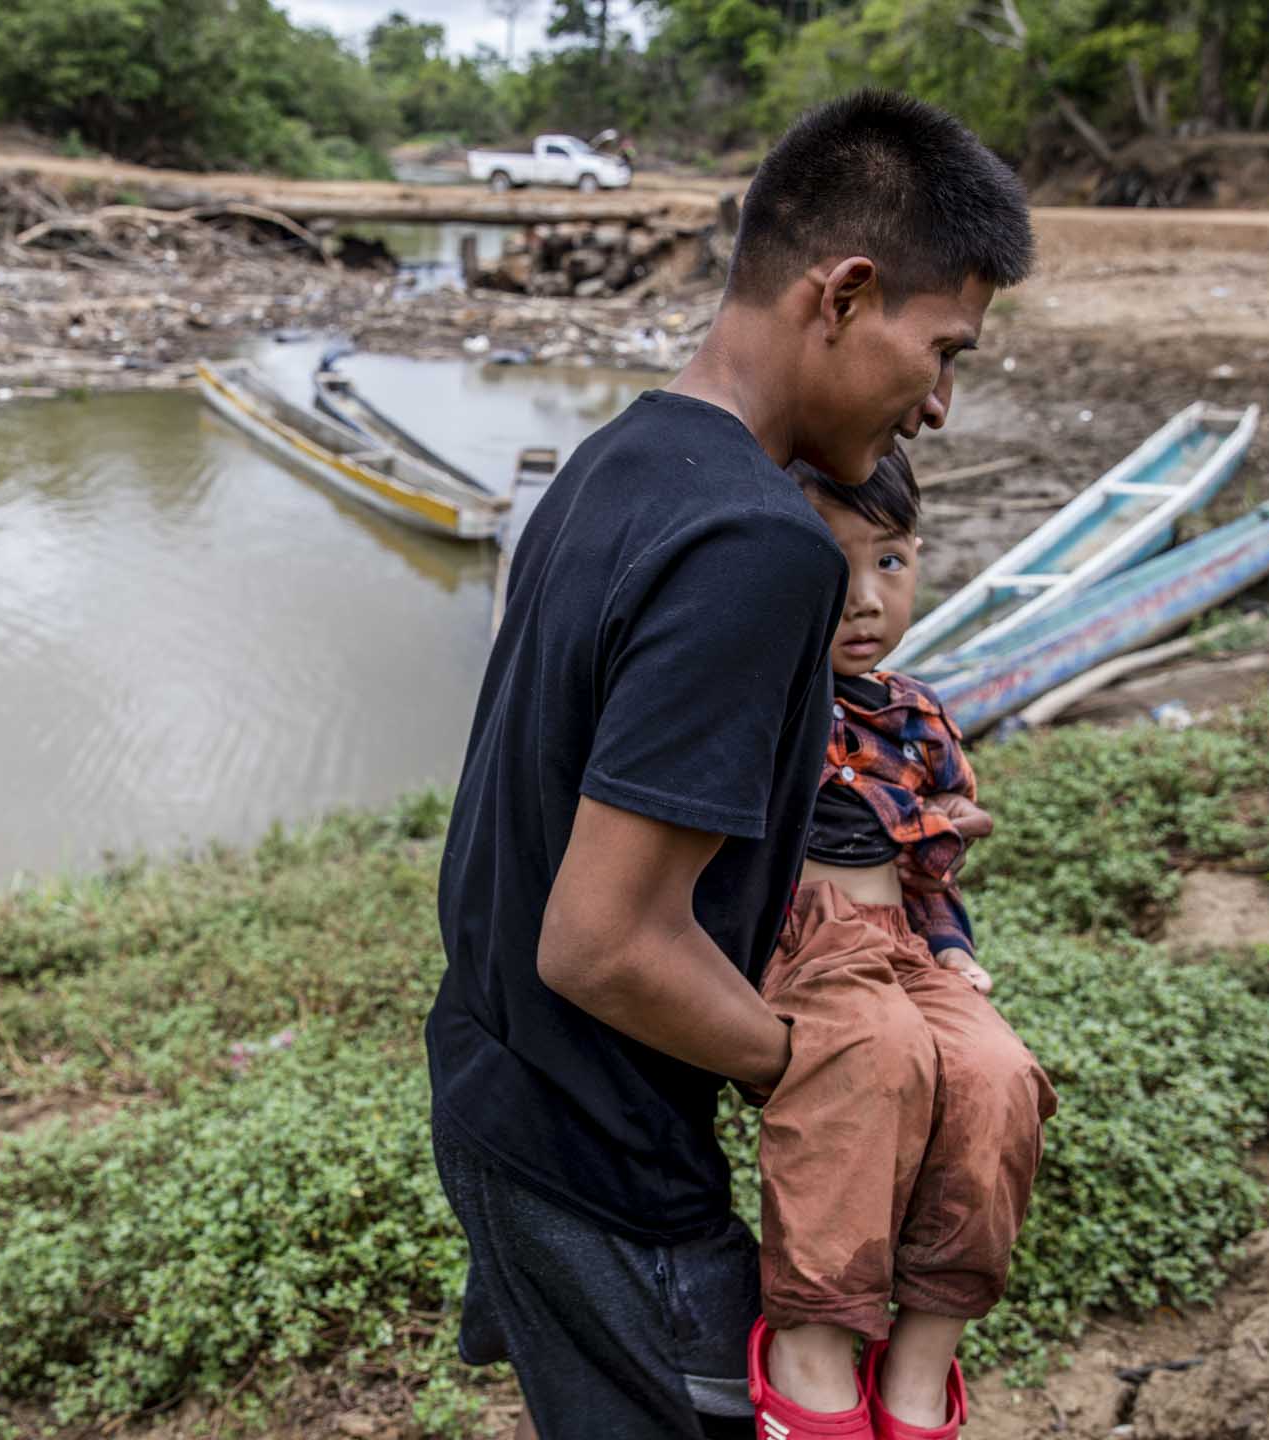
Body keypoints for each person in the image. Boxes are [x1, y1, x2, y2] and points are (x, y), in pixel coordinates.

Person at [428, 88, 1034, 1440]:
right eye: (942, 351)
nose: (939, 404)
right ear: (845, 292)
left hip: (498, 1093)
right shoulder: (761, 549)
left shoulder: (616, 459)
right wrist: (828, 1067)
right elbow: (601, 942)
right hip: (606, 1156)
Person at [747, 448, 1057, 1440]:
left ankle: (920, 1366)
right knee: (877, 1054)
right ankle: (812, 1347)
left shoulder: (917, 717)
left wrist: (952, 946)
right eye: (829, 567)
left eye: (889, 563)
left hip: (901, 945)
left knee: (999, 1074)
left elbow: (932, 876)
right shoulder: (759, 700)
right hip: (803, 946)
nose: (862, 600)